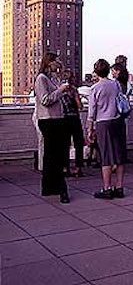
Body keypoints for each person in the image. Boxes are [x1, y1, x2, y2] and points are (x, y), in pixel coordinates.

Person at [87, 59, 127, 199]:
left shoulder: (95, 88)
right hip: (117, 120)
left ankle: (107, 188)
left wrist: (90, 129)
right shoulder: (115, 85)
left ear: (96, 71)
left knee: (106, 156)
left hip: (103, 122)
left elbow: (92, 111)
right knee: (119, 155)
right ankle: (120, 186)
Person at [34, 52, 71, 204]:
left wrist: (61, 82)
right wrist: (60, 91)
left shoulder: (52, 78)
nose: (58, 64)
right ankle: (59, 187)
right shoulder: (41, 79)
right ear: (49, 62)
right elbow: (45, 100)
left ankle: (50, 186)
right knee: (54, 155)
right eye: (57, 61)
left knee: (52, 155)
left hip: (56, 119)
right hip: (48, 120)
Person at [61, 68, 85, 178]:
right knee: (78, 144)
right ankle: (78, 168)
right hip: (74, 119)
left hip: (63, 120)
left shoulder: (59, 90)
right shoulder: (74, 90)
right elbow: (80, 106)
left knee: (65, 144)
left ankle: (65, 168)